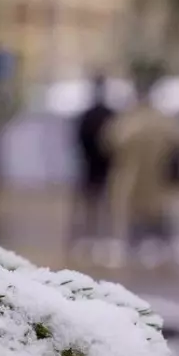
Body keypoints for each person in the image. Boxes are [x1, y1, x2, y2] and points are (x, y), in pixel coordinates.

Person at [104, 62, 179, 267]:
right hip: (147, 176)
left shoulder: (129, 121)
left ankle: (150, 247)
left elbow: (109, 143)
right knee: (150, 212)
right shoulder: (155, 119)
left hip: (140, 176)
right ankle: (155, 247)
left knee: (147, 213)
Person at [68, 74, 116, 252]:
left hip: (91, 164)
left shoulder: (89, 115)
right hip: (100, 165)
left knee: (91, 203)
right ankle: (97, 235)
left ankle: (89, 235)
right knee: (99, 203)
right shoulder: (108, 114)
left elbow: (78, 140)